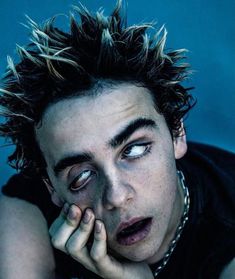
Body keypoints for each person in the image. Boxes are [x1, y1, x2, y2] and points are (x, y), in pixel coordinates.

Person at [0, 1, 234, 278]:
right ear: (51, 185)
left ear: (176, 134)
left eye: (134, 150)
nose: (117, 196)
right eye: (82, 176)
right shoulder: (26, 212)